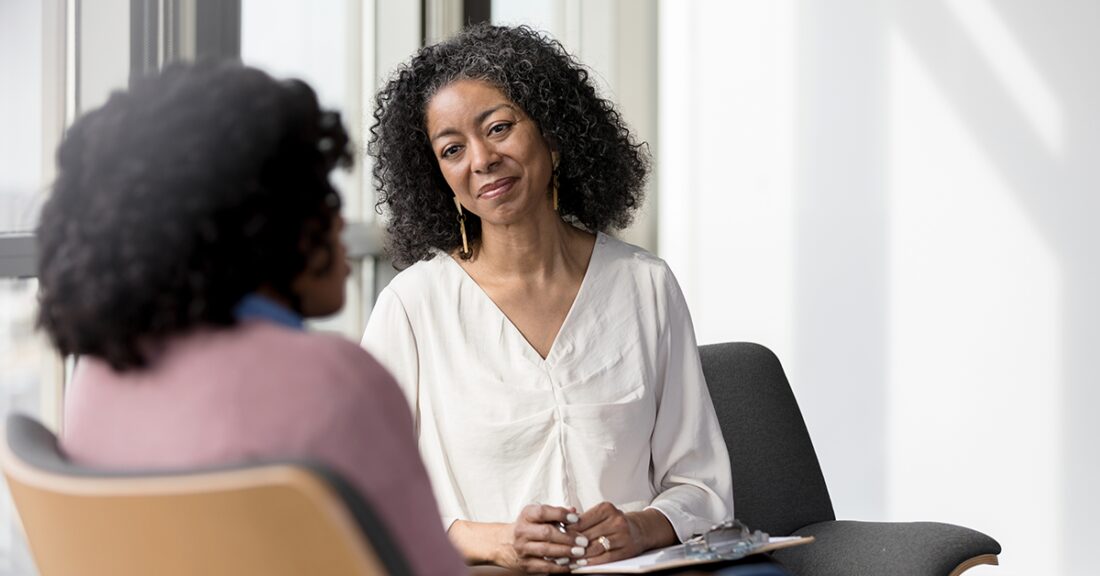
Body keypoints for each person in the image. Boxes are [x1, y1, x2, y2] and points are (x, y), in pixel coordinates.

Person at [36, 61, 466, 576]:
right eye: (320, 195)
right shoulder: (333, 383)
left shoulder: (98, 377)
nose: (337, 221)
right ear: (264, 224)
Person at [362, 24, 734, 573]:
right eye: (452, 149)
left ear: (554, 136)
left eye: (500, 127)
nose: (482, 159)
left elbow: (700, 485)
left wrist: (640, 527)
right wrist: (495, 541)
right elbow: (368, 497)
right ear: (438, 174)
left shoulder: (645, 286)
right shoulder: (412, 308)